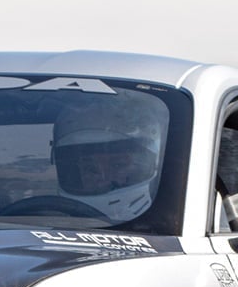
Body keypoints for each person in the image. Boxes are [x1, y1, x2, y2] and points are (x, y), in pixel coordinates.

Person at [49, 94, 167, 223]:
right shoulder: (41, 224)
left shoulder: (185, 227)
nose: (103, 180)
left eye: (118, 165)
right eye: (91, 169)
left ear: (150, 163)